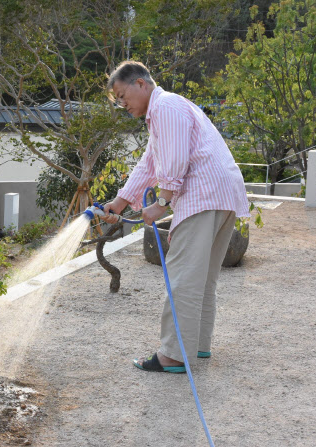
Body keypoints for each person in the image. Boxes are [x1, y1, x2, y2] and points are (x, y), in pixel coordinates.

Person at [103, 61, 249, 373]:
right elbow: (150, 163)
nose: (121, 103)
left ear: (141, 83)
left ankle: (172, 355)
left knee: (183, 278)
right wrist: (120, 201)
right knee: (202, 277)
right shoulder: (165, 111)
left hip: (203, 196)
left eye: (121, 94)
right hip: (222, 195)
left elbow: (174, 160)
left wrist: (163, 201)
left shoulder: (165, 108)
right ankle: (197, 345)